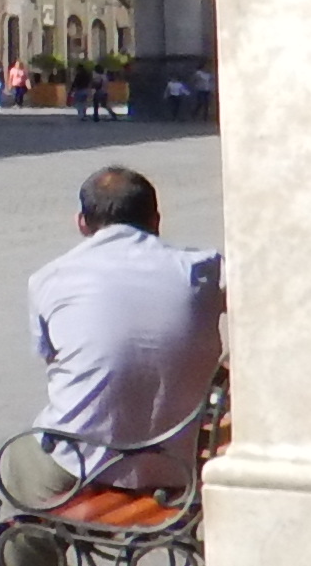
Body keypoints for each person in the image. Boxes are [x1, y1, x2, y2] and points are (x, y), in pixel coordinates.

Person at [19, 164, 225, 493]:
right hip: (177, 464)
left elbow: (53, 361)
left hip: (83, 466)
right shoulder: (204, 270)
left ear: (82, 223)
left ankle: (13, 524)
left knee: (19, 462)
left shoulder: (49, 279)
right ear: (156, 220)